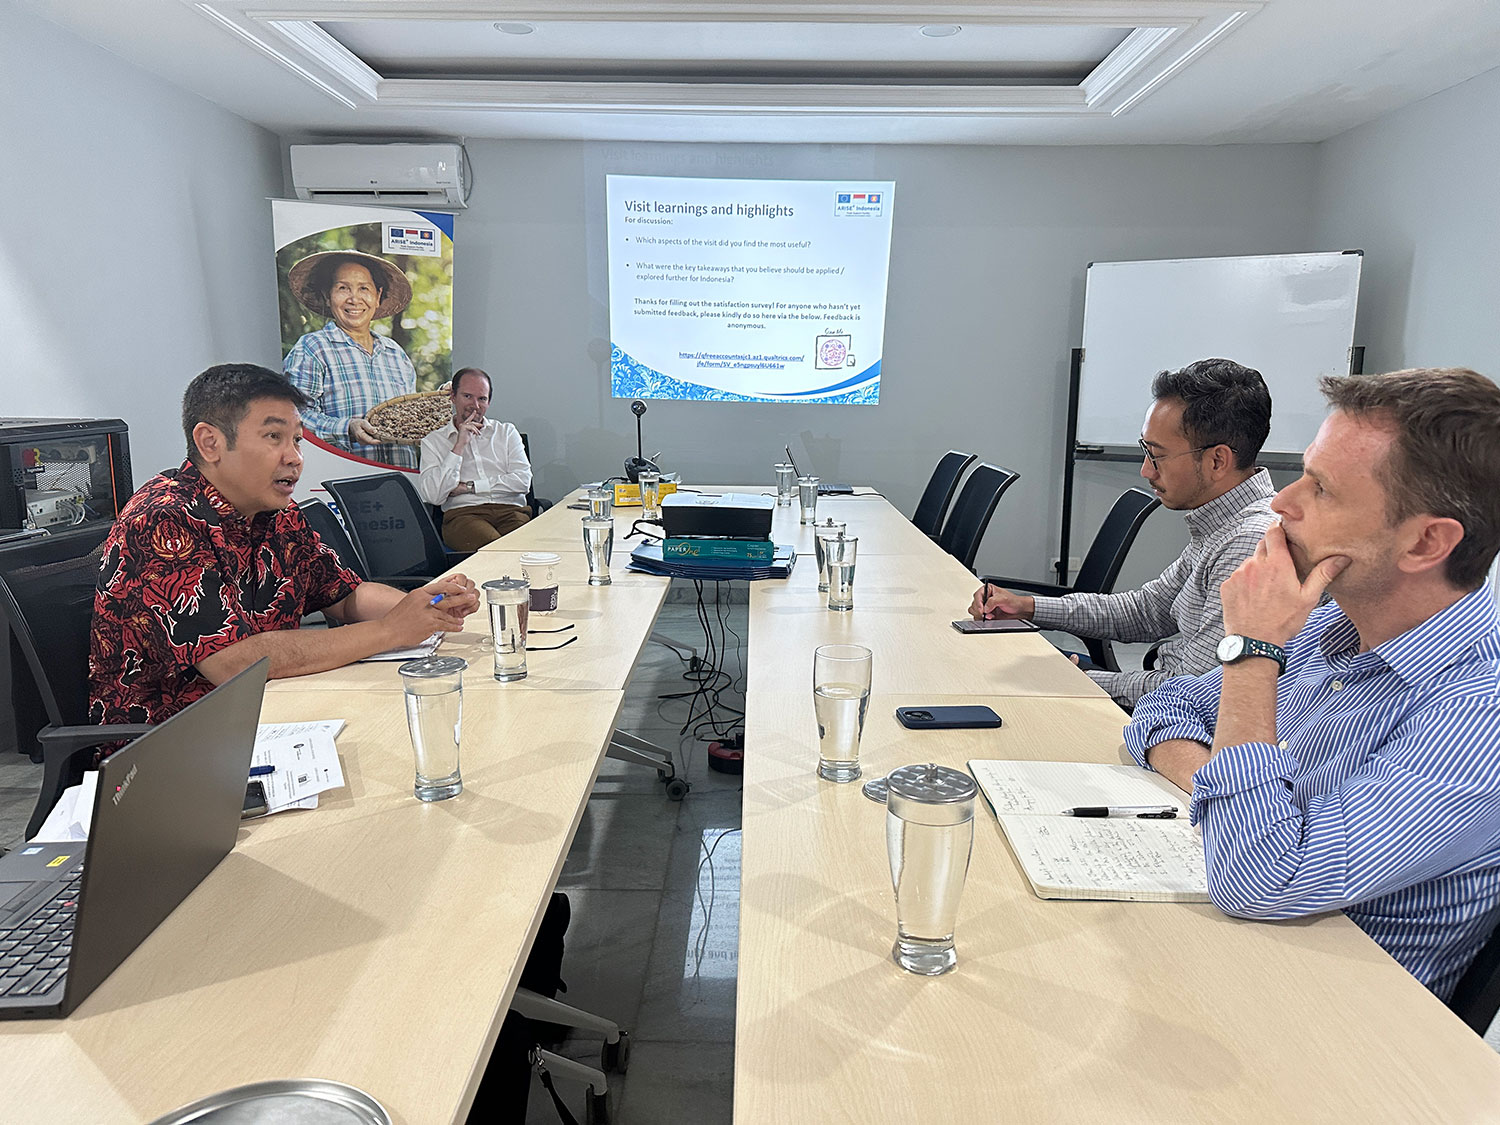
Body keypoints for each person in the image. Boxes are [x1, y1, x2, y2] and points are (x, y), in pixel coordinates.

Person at [1126, 367, 1500, 1001]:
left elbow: (1259, 877)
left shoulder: (1477, 713)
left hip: (1331, 1017)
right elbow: (1170, 704)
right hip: (1244, 957)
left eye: (1321, 489)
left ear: (1425, 543)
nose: (1282, 503)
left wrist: (1252, 652)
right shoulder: (1333, 623)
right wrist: (1225, 787)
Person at [88, 363, 479, 734]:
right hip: (173, 745)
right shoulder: (162, 519)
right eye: (274, 437)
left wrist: (428, 608)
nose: (294, 457)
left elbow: (345, 595)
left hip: (272, 713)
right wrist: (390, 630)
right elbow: (234, 663)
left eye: (297, 439)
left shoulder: (278, 513)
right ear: (210, 443)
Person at [969, 358, 1276, 708]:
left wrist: (1080, 682)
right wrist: (1027, 607)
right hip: (1159, 699)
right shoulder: (1221, 524)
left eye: (1156, 456)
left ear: (1217, 461)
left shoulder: (1250, 543)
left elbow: (1192, 695)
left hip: (1169, 718)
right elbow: (1146, 611)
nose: (1146, 470)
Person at [283, 250, 420, 469]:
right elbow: (293, 417)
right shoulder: (313, 348)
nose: (354, 299)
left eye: (364, 288)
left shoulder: (395, 354)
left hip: (402, 477)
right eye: (343, 288)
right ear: (327, 296)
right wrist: (347, 428)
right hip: (343, 478)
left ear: (377, 296)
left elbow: (413, 416)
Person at [416, 367, 534, 550]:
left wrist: (469, 487)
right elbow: (434, 496)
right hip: (463, 516)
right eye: (467, 396)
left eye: (482, 399)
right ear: (453, 397)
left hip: (512, 512)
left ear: (489, 402)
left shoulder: (506, 432)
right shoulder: (433, 442)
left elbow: (523, 482)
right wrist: (459, 446)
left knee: (526, 548)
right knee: (497, 549)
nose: (475, 405)